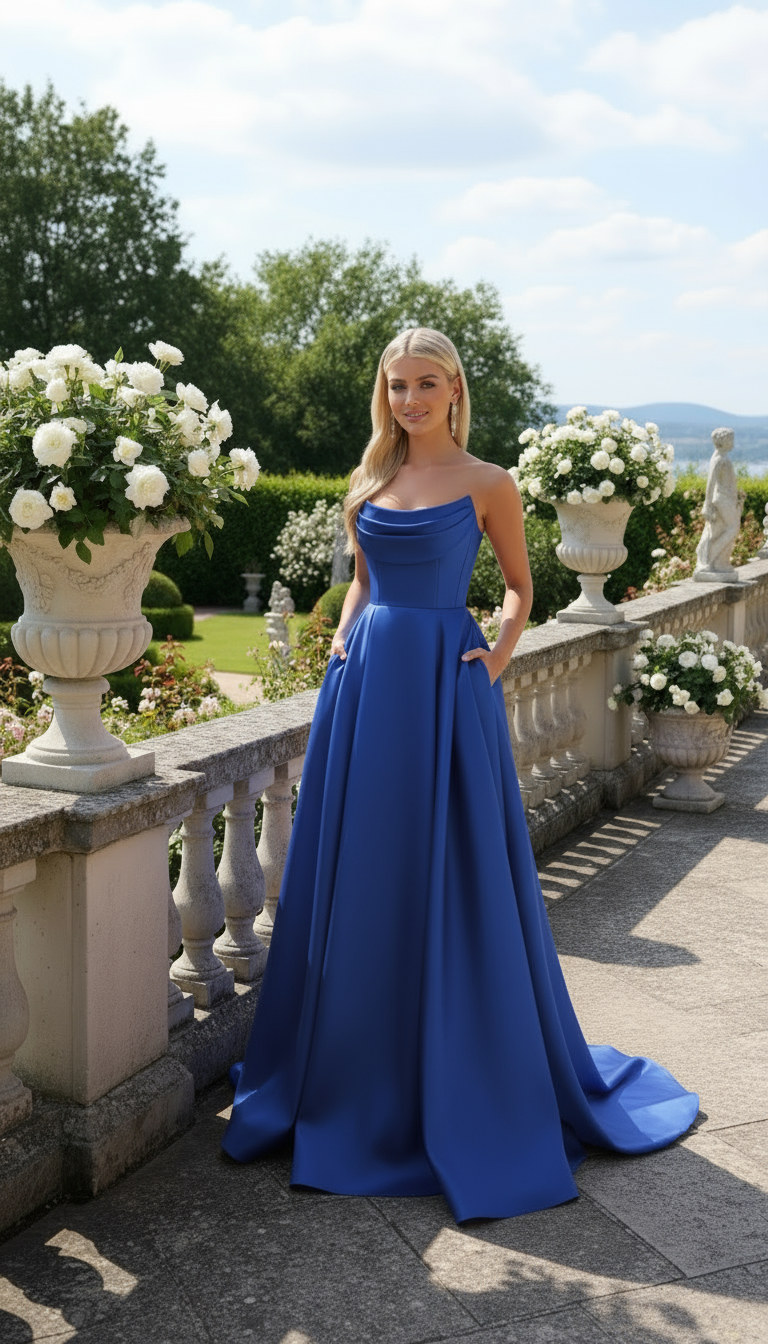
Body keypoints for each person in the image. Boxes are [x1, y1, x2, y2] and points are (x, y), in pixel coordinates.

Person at [222, 327, 698, 1221]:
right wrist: (339, 639)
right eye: (397, 385)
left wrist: (498, 656)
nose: (409, 399)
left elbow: (522, 588)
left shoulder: (489, 483)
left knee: (447, 872)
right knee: (360, 872)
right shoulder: (368, 482)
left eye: (425, 383)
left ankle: (461, 1075)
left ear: (454, 389)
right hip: (365, 689)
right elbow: (362, 584)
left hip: (447, 688)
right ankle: (356, 1071)